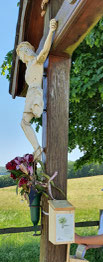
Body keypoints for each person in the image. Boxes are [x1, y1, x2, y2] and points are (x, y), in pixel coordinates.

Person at [16, 19, 57, 160]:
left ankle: (38, 150)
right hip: (31, 94)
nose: (21, 57)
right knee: (23, 122)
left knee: (24, 121)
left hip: (36, 92)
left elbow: (45, 51)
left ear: (27, 50)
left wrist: (51, 31)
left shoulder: (35, 61)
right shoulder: (28, 67)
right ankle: (37, 149)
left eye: (21, 53)